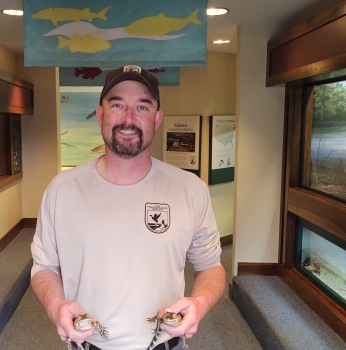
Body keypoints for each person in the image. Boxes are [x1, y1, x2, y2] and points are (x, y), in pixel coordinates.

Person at [31, 65, 225, 350]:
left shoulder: (189, 189)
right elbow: (44, 267)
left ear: (157, 119)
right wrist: (55, 304)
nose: (129, 118)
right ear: (100, 115)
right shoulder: (62, 190)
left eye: (142, 107)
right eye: (118, 105)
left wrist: (200, 302)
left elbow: (211, 267)